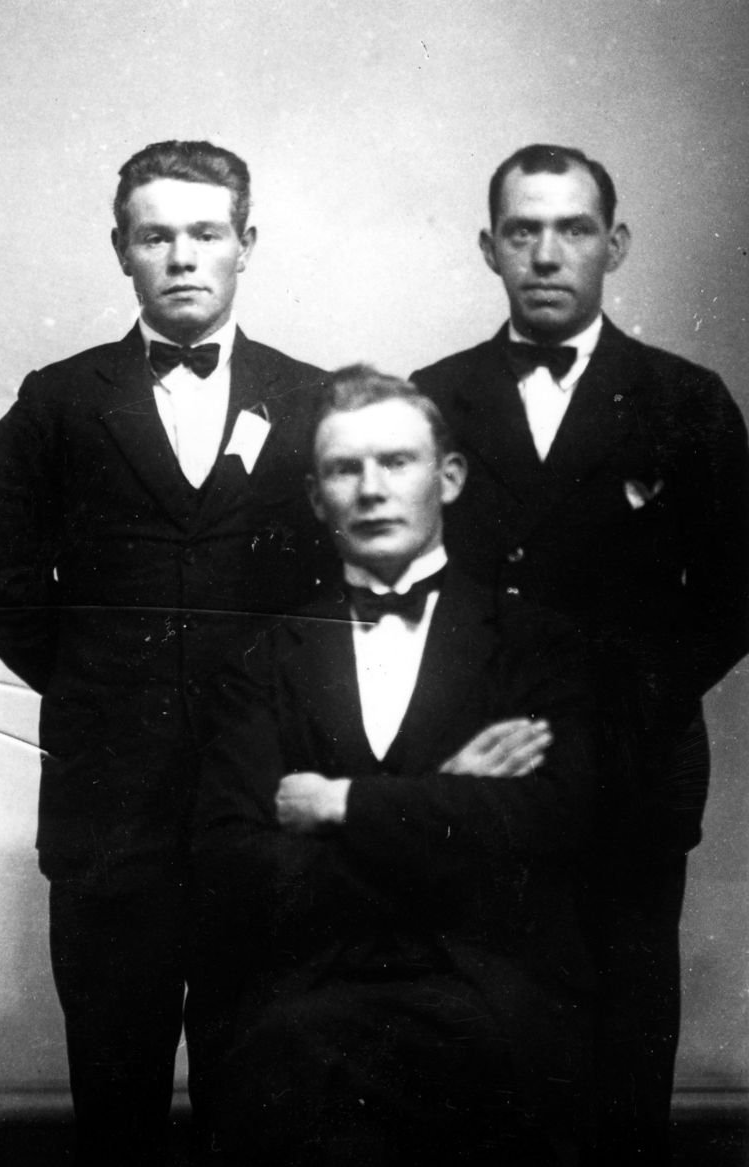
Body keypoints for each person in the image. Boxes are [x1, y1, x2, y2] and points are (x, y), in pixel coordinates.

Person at [0, 139, 330, 1167]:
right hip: (109, 804)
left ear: (246, 243)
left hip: (263, 802)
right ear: (120, 249)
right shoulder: (58, 400)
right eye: (155, 235)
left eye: (205, 232)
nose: (182, 256)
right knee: (114, 1089)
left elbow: (344, 593)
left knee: (259, 1085)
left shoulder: (313, 402)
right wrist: (103, 687)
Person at [410, 143, 749, 1163]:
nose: (547, 254)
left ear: (616, 244)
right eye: (523, 231)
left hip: (631, 763)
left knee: (624, 1033)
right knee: (483, 1028)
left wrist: (619, 704)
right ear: (488, 249)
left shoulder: (685, 399)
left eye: (572, 229)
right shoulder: (431, 398)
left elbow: (734, 592)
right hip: (480, 765)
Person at [191, 367, 601, 1166]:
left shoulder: (536, 642)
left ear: (448, 477)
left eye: (397, 462)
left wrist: (346, 804)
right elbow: (232, 860)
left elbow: (554, 826)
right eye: (345, 469)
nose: (372, 489)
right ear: (317, 498)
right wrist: (449, 802)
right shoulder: (262, 657)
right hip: (309, 991)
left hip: (486, 987)